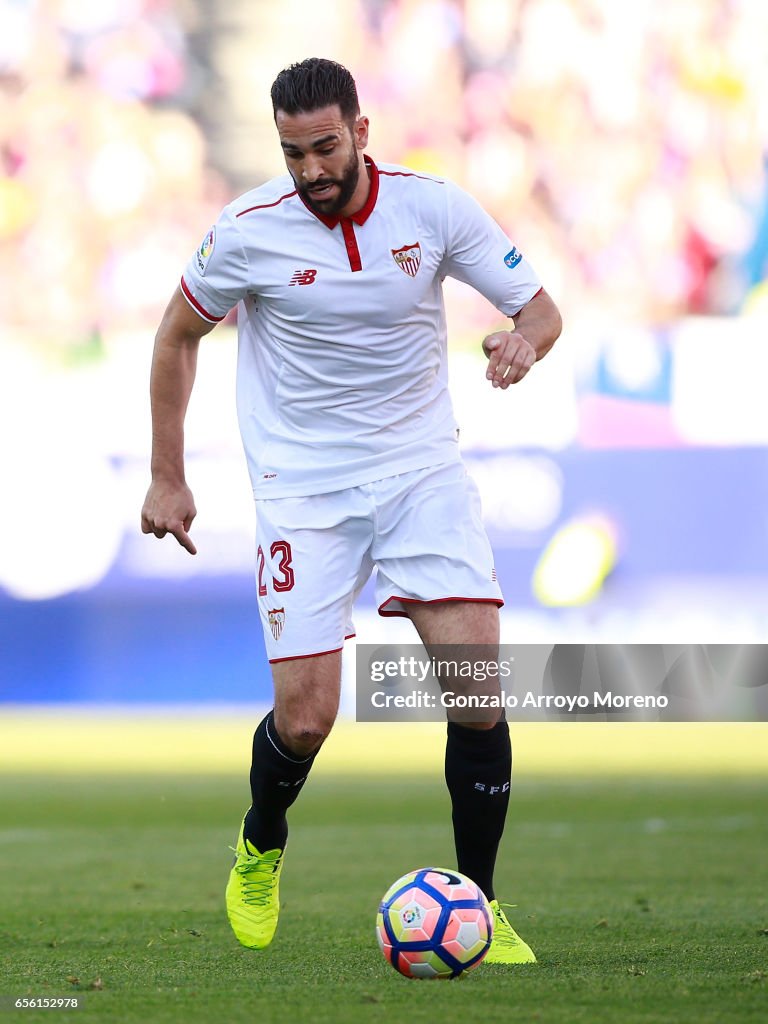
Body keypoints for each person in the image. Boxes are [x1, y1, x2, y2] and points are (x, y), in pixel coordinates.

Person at [141, 57, 562, 964]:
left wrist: (521, 342)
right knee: (305, 720)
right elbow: (177, 337)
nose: (311, 171)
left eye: (325, 147)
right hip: (304, 490)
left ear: (362, 131)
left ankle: (480, 906)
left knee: (478, 691)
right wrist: (167, 476)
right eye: (294, 154)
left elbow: (541, 309)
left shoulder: (434, 208)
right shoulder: (250, 230)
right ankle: (260, 842)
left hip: (419, 472)